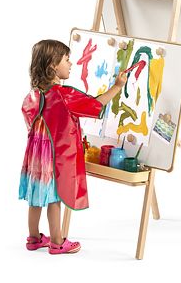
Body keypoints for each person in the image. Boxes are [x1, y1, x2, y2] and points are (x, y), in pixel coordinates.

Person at [19, 39, 127, 254]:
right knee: (54, 198)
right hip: (54, 156)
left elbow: (28, 117)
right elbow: (96, 104)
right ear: (53, 65)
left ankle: (33, 238)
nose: (71, 64)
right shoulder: (63, 94)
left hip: (35, 157)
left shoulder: (33, 94)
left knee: (35, 197)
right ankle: (57, 241)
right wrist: (117, 86)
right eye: (67, 60)